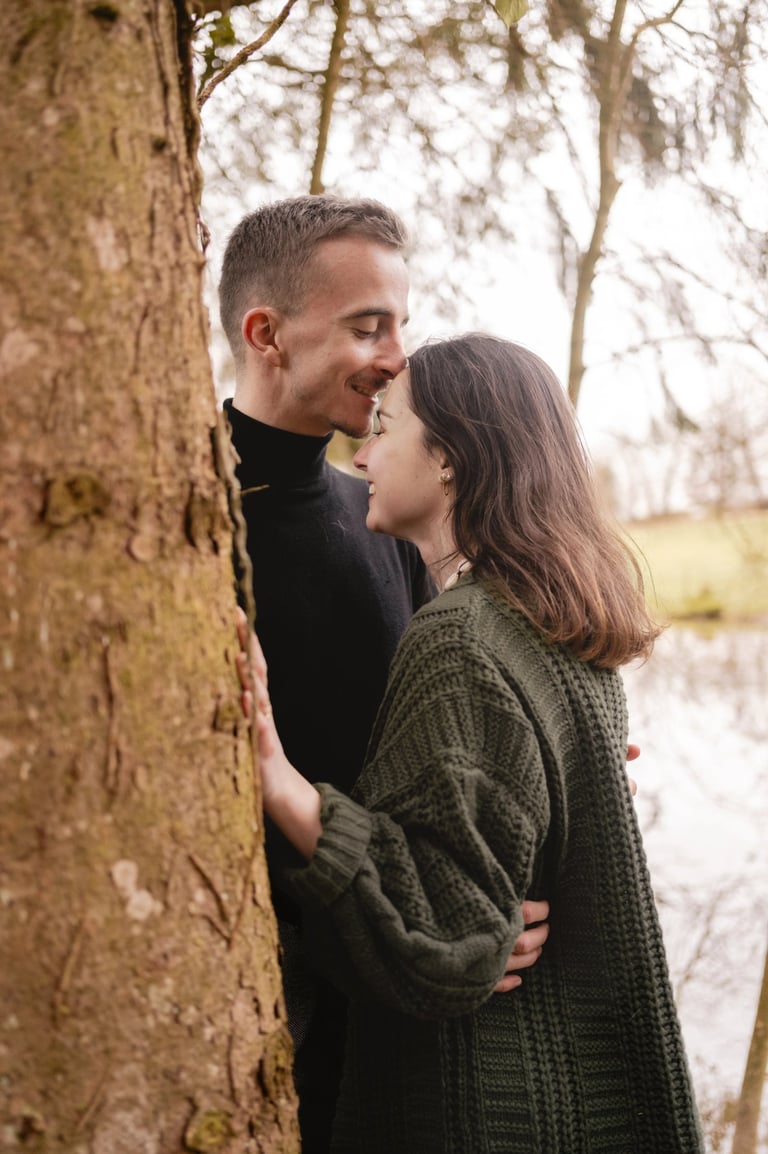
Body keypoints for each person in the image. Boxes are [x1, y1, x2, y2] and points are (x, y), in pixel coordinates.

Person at [236, 333, 704, 1153]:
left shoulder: (461, 637)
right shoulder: (554, 623)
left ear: (449, 456)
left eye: (386, 425)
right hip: (581, 1094)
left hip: (483, 1109)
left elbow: (447, 940)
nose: (364, 448)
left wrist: (281, 783)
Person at [217, 196, 550, 1151]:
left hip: (403, 1015)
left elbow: (432, 752)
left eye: (402, 322)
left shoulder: (377, 515)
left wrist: (535, 756)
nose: (400, 355)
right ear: (266, 332)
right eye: (370, 325)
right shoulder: (178, 518)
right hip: (276, 1002)